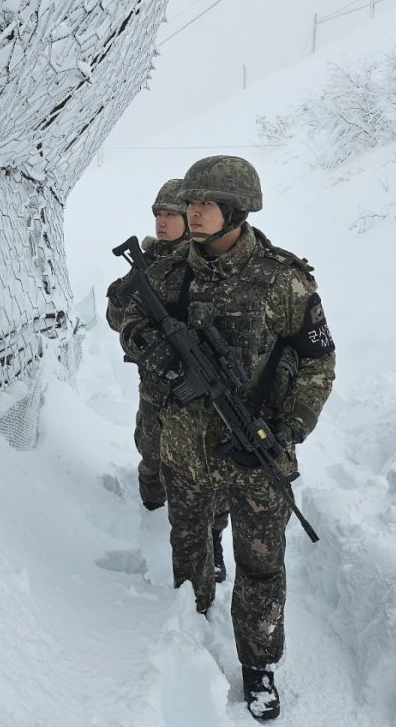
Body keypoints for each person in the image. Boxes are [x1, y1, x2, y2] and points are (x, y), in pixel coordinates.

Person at [116, 156, 336, 721]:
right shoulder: (168, 271)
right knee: (190, 551)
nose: (191, 212)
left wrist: (288, 429)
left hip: (256, 455)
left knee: (262, 567)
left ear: (236, 210)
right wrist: (149, 345)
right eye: (189, 203)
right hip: (185, 451)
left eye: (204, 203)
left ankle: (259, 669)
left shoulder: (282, 279)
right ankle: (188, 637)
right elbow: (121, 311)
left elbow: (318, 364)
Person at [106, 179, 187, 511]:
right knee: (151, 448)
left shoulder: (202, 264)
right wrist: (120, 297)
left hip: (192, 382)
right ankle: (151, 510)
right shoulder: (146, 262)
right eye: (159, 214)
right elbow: (116, 321)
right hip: (155, 380)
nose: (162, 222)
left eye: (171, 214)